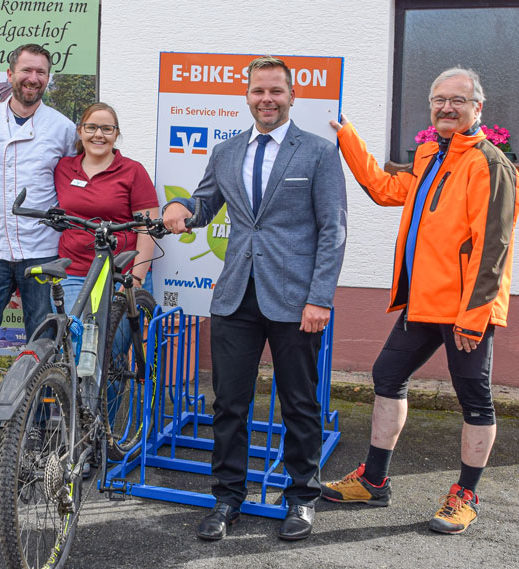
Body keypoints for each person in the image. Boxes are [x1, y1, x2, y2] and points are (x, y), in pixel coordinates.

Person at [323, 67, 518, 534]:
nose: (446, 107)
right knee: (388, 375)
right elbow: (384, 189)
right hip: (423, 302)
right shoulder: (430, 156)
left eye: (457, 100)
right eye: (438, 99)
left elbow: (494, 249)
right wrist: (346, 136)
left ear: (477, 109)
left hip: (466, 310)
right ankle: (373, 480)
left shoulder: (491, 164)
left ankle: (466, 495)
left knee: (475, 398)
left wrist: (474, 318)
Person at [163, 56, 347, 541]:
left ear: (292, 96)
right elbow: (204, 206)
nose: (267, 99)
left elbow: (333, 231)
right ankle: (227, 499)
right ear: (246, 97)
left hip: (295, 299)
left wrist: (320, 298)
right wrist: (179, 206)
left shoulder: (319, 154)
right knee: (229, 404)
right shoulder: (226, 152)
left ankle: (302, 497)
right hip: (235, 297)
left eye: (276, 91)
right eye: (258, 91)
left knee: (300, 404)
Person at [0, 44, 76, 455]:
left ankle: (35, 425)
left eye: (41, 72)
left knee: (40, 343)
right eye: (26, 70)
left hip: (41, 252)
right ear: (10, 74)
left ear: (47, 78)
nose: (33, 78)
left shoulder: (62, 128)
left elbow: (74, 183)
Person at [54, 102, 159, 313]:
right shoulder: (63, 168)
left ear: (116, 133)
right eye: (91, 127)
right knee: (78, 340)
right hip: (74, 273)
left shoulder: (133, 171)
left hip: (120, 274)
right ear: (80, 130)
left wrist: (136, 278)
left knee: (113, 344)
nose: (98, 135)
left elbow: (148, 230)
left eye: (107, 129)